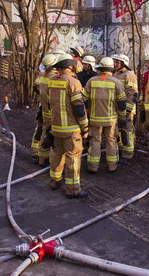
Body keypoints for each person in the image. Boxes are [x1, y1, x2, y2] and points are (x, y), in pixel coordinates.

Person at [45, 53, 89, 198]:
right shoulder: (73, 82)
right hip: (71, 130)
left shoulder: (52, 81)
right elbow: (79, 108)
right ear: (70, 66)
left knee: (57, 155)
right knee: (73, 159)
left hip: (56, 128)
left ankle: (54, 181)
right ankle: (73, 190)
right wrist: (85, 128)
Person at [84, 57, 127, 174]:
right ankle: (112, 166)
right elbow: (122, 103)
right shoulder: (116, 82)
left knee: (95, 141)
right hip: (111, 120)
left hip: (94, 119)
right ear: (111, 69)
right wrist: (122, 118)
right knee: (111, 141)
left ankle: (93, 167)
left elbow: (83, 99)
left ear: (100, 68)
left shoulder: (91, 81)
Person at [31, 54, 58, 165]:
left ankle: (42, 159)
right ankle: (52, 162)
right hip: (53, 112)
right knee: (54, 137)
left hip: (44, 111)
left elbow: (36, 88)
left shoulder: (43, 78)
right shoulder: (54, 79)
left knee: (44, 133)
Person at [112, 53, 138, 164]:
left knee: (127, 130)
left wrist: (128, 110)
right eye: (115, 62)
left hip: (127, 109)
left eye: (118, 62)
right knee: (117, 131)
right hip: (117, 108)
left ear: (124, 63)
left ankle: (128, 154)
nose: (115, 64)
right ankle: (121, 150)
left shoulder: (129, 75)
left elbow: (133, 94)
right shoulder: (115, 74)